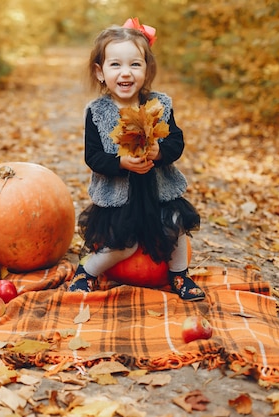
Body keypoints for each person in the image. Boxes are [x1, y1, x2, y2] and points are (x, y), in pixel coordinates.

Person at [68, 18, 205, 301]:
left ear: (147, 69)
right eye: (115, 64)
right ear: (100, 72)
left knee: (177, 224)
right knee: (125, 244)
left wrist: (161, 152)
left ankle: (179, 274)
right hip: (121, 200)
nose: (125, 72)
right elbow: (92, 156)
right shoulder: (97, 112)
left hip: (158, 193)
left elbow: (176, 141)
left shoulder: (160, 105)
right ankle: (88, 271)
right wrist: (120, 162)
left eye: (135, 64)